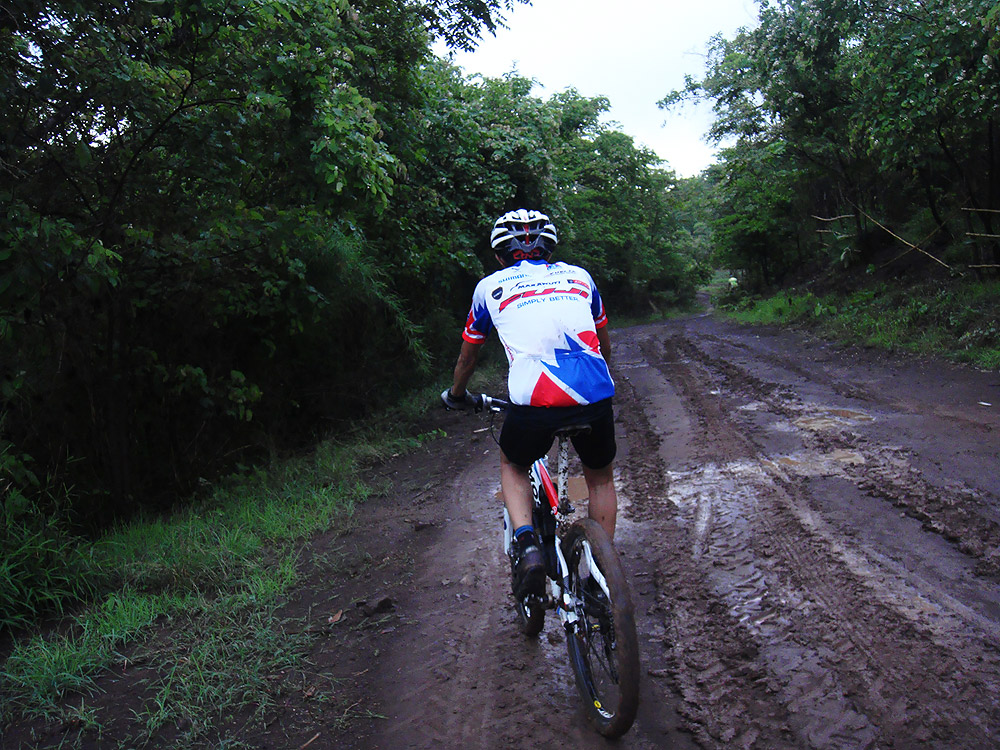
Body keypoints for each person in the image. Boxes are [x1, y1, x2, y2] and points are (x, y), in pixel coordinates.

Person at [441, 208, 619, 601]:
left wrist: (456, 395)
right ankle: (601, 574)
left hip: (534, 402)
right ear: (549, 249)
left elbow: (468, 357)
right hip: (594, 395)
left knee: (513, 464)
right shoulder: (580, 277)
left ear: (499, 255)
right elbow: (604, 344)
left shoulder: (489, 288)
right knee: (600, 479)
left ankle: (526, 545)